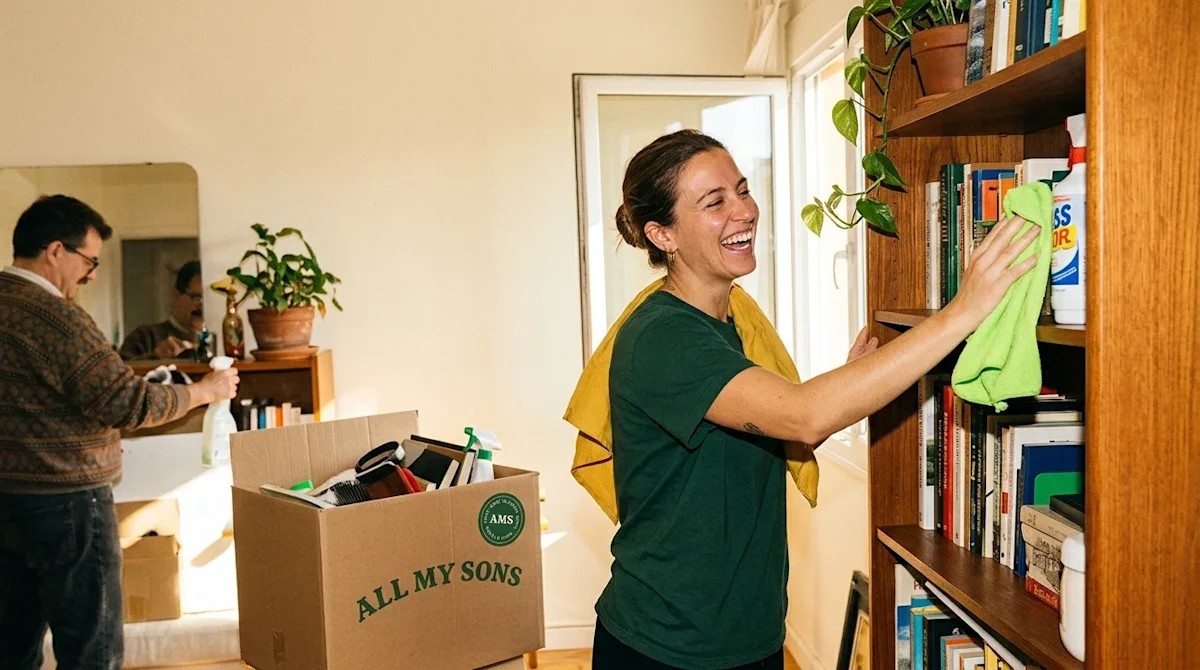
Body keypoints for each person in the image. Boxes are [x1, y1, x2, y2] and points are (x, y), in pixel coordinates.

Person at [591, 130, 1038, 669]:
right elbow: (802, 416)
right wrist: (964, 310)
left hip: (747, 636)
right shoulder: (665, 337)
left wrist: (849, 387)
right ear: (662, 234)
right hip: (665, 647)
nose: (744, 211)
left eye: (742, 190)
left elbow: (766, 437)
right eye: (715, 202)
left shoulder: (729, 325)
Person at [0, 195, 239, 670]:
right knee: (91, 649)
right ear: (55, 251)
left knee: (11, 647)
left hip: (7, 501)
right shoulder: (56, 318)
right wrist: (204, 391)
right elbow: (126, 403)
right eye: (89, 261)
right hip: (67, 506)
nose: (91, 275)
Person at [118, 259, 205, 360]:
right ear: (176, 296)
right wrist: (156, 357)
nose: (203, 307)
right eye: (197, 298)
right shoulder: (143, 337)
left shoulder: (218, 343)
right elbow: (120, 368)